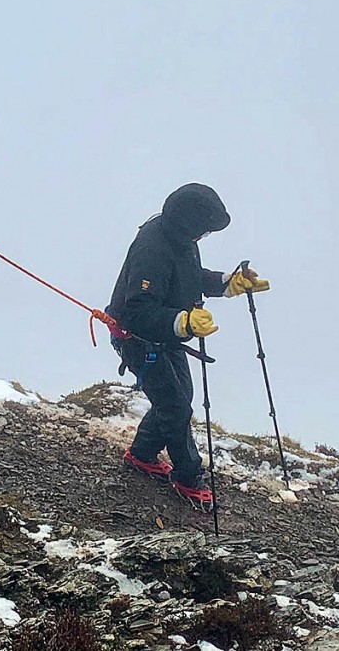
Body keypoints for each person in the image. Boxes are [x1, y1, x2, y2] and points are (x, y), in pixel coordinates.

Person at [107, 183, 270, 508]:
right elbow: (138, 311)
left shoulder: (179, 238)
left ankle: (141, 455)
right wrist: (183, 322)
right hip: (138, 339)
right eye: (203, 231)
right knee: (176, 407)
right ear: (188, 225)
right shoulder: (152, 248)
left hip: (165, 336)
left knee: (178, 400)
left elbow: (188, 276)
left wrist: (227, 283)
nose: (204, 237)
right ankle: (187, 476)